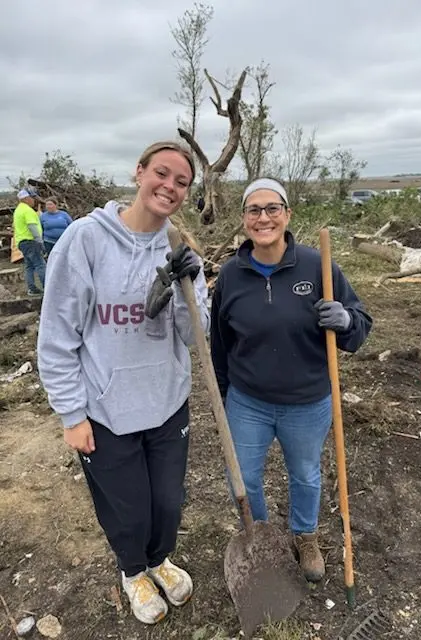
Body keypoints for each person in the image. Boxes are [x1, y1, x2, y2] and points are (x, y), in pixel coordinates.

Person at [37, 141, 210, 625]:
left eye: (182, 182)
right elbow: (57, 336)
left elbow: (196, 335)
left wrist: (184, 290)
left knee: (168, 502)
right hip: (106, 410)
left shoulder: (179, 247)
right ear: (139, 172)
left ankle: (159, 560)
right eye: (162, 173)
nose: (170, 186)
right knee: (128, 508)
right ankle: (133, 570)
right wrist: (72, 414)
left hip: (167, 403)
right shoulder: (86, 239)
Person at [210, 178, 372, 582]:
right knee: (243, 477)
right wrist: (226, 395)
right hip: (248, 401)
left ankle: (305, 536)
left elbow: (360, 325)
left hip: (308, 401)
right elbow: (221, 343)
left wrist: (346, 319)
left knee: (304, 473)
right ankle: (261, 536)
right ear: (244, 218)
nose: (263, 217)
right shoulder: (230, 275)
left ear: (287, 215)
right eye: (254, 210)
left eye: (272, 208)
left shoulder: (318, 266)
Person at [13, 188, 46, 296]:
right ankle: (47, 287)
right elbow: (32, 226)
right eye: (33, 198)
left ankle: (32, 288)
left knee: (29, 266)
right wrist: (40, 241)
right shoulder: (27, 210)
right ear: (26, 199)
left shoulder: (18, 210)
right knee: (40, 264)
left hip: (22, 242)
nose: (34, 200)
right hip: (31, 241)